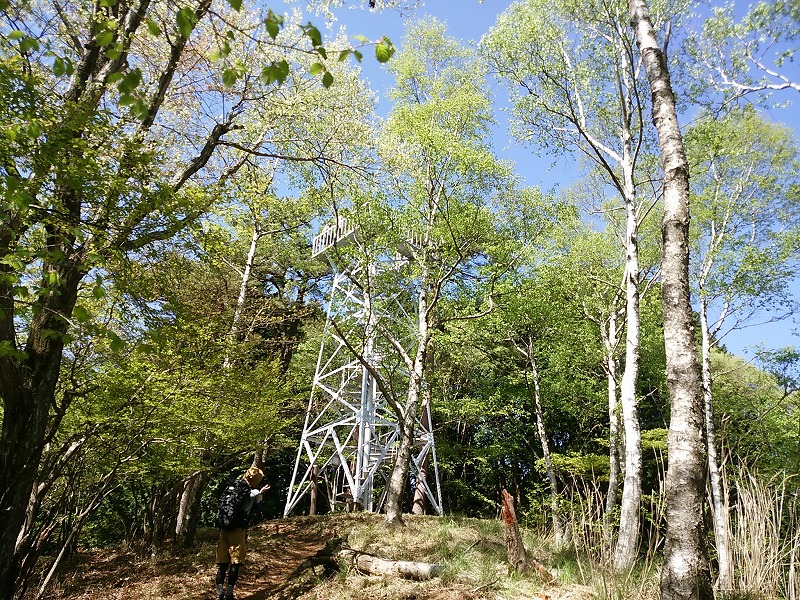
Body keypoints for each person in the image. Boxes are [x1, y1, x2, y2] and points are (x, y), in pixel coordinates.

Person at [214, 466, 270, 600]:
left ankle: (219, 593)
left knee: (222, 564)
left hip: (224, 529)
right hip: (238, 531)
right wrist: (261, 493)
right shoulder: (254, 492)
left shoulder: (231, 487)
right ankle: (229, 593)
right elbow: (260, 508)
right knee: (235, 562)